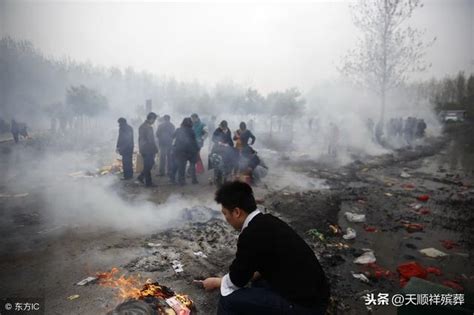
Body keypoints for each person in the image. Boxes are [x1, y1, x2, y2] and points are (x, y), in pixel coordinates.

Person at [197, 181, 330, 314]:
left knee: (228, 300)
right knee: (258, 282)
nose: (225, 218)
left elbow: (237, 279)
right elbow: (262, 262)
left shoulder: (251, 234)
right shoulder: (269, 221)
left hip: (306, 307)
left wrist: (216, 282)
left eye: (225, 213)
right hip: (318, 295)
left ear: (237, 212)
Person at [172, 117, 199, 185]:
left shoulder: (178, 130)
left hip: (181, 150)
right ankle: (194, 180)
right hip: (191, 151)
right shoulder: (191, 131)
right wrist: (197, 148)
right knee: (192, 166)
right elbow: (194, 141)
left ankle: (181, 181)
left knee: (182, 167)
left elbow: (172, 137)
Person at [137, 112, 158, 187]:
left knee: (149, 164)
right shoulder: (146, 127)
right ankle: (148, 183)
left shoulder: (145, 126)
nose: (154, 121)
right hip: (147, 149)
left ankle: (141, 177)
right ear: (151, 118)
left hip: (146, 149)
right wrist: (155, 149)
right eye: (154, 120)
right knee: (148, 165)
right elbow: (149, 140)